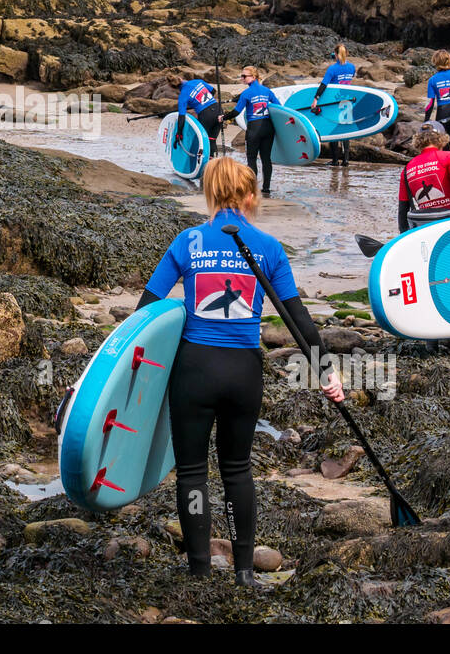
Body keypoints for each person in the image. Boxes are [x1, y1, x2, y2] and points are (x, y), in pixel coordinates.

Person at [137, 157, 345, 587]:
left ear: (211, 194)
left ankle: (198, 572)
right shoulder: (267, 246)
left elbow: (145, 310)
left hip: (194, 370)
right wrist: (327, 373)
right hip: (243, 372)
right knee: (237, 469)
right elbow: (298, 318)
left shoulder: (189, 241)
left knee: (193, 471)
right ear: (250, 196)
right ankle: (246, 573)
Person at [229, 66, 279, 196]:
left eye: (244, 76)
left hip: (254, 129)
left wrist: (223, 117)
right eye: (242, 76)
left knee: (251, 159)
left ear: (254, 77)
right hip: (268, 128)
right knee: (266, 159)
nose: (242, 78)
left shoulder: (246, 94)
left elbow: (236, 112)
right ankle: (266, 189)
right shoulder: (267, 91)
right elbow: (279, 108)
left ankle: (252, 190)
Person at [313, 43, 356, 167]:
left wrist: (316, 99)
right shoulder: (352, 67)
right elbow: (351, 78)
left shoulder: (332, 69)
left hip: (335, 102)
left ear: (336, 55)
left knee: (334, 130)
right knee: (346, 130)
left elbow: (324, 84)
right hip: (347, 101)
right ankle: (346, 160)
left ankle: (335, 160)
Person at [174, 76, 221, 158]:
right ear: (182, 79)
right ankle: (213, 164)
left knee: (200, 142)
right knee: (211, 140)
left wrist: (179, 134)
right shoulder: (197, 81)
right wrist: (202, 103)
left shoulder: (183, 96)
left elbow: (181, 117)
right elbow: (213, 91)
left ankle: (201, 165)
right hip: (218, 110)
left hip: (206, 115)